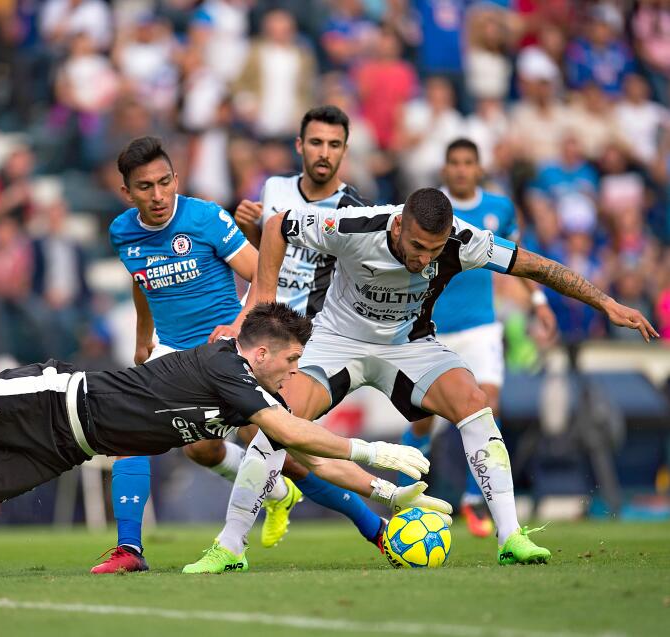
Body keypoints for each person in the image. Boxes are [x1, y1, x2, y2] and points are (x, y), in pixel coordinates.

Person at [0, 302, 444, 583]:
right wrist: (373, 450)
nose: (295, 372)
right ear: (266, 350)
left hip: (62, 447)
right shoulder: (230, 365)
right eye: (291, 360)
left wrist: (379, 491)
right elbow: (287, 428)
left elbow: (295, 451)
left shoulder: (246, 388)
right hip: (49, 397)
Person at [188, 187, 657, 570]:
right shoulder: (357, 225)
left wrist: (607, 304)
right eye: (415, 246)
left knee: (474, 402)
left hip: (408, 346)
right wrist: (262, 300)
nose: (422, 258)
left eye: (432, 250)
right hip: (337, 342)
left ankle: (511, 536)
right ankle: (230, 547)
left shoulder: (464, 239)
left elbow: (538, 266)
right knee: (277, 421)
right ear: (398, 225)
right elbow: (277, 225)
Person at [96, 135, 276, 574]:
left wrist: (237, 328)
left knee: (259, 441)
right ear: (127, 192)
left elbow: (261, 274)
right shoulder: (122, 230)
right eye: (145, 187)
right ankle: (129, 550)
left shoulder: (205, 217)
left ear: (176, 178)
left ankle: (367, 524)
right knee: (132, 434)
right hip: (170, 351)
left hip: (223, 350)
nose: (157, 196)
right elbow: (143, 280)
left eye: (164, 183)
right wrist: (145, 337)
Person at [228, 105, 385, 556]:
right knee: (224, 441)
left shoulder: (354, 209)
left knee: (279, 441)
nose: (324, 152)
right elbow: (269, 260)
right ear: (300, 146)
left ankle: (373, 523)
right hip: (254, 331)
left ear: (345, 151)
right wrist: (247, 231)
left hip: (302, 343)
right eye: (316, 142)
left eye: (334, 145)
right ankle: (283, 495)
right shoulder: (275, 187)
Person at [399, 138, 558, 538]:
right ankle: (402, 493)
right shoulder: (431, 211)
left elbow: (516, 260)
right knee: (423, 420)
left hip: (481, 325)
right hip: (431, 327)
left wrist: (538, 301)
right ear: (446, 168)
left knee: (488, 403)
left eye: (468, 162)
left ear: (479, 167)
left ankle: (474, 499)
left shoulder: (500, 208)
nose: (462, 169)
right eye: (454, 162)